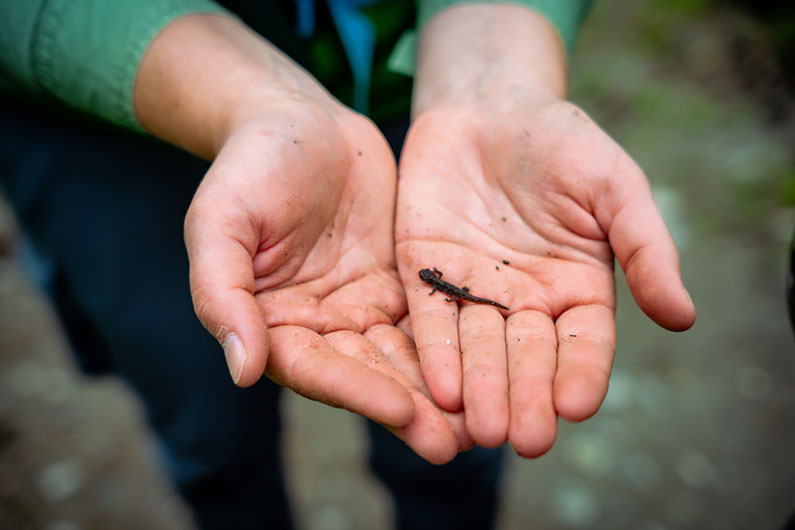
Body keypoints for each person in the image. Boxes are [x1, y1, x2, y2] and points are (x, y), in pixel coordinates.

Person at [0, 1, 696, 528]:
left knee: (455, 414)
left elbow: (444, 287)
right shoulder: (432, 278)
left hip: (415, 97)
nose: (426, 282)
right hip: (103, 136)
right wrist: (251, 101)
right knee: (205, 418)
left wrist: (494, 70)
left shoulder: (440, 274)